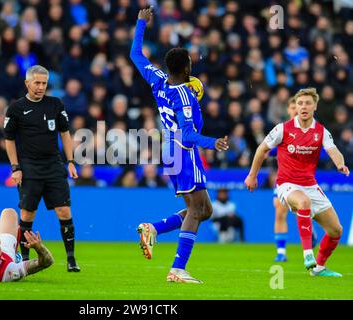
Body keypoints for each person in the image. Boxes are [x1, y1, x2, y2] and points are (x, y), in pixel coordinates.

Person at [131, 7, 229, 284]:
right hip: (183, 151)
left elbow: (136, 55)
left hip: (168, 151)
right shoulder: (184, 96)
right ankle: (177, 269)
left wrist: (141, 24)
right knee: (197, 210)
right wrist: (213, 142)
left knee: (204, 210)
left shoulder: (157, 79)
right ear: (187, 68)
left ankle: (154, 228)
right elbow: (188, 135)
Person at [245, 88, 350, 277]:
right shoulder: (282, 128)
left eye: (307, 103)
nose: (303, 106)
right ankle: (308, 254)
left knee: (336, 230)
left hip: (310, 185)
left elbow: (333, 150)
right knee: (303, 203)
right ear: (296, 107)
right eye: (300, 103)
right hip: (287, 184)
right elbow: (262, 149)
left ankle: (318, 268)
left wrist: (340, 164)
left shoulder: (320, 131)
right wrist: (252, 176)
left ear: (315, 106)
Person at [4, 65, 80, 272]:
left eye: (44, 83)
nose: (40, 87)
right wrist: (15, 167)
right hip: (29, 167)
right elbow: (9, 140)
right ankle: (25, 258)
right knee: (28, 214)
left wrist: (71, 161)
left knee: (64, 210)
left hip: (53, 165)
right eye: (36, 83)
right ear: (27, 83)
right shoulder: (16, 108)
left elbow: (65, 133)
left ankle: (71, 259)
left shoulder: (55, 104)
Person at [270, 96, 317, 262]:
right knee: (280, 210)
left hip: (304, 179)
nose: (296, 110)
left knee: (301, 209)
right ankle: (281, 252)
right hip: (284, 179)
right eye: (292, 107)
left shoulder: (311, 130)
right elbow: (267, 150)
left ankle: (310, 232)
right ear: (289, 110)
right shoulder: (281, 130)